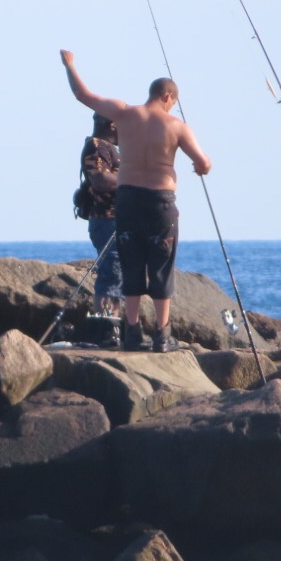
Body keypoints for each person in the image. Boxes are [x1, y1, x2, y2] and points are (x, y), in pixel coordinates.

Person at [59, 50, 211, 351]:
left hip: (127, 201)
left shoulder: (124, 113)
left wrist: (70, 65)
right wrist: (199, 167)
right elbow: (204, 163)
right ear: (168, 97)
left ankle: (130, 332)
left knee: (130, 265)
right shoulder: (176, 126)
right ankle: (162, 335)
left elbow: (82, 94)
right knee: (160, 266)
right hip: (160, 202)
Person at [78, 112, 123, 320]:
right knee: (111, 274)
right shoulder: (97, 146)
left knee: (118, 274)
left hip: (115, 221)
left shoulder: (109, 148)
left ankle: (115, 321)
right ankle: (107, 324)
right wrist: (134, 176)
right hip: (107, 220)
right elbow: (99, 180)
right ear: (112, 125)